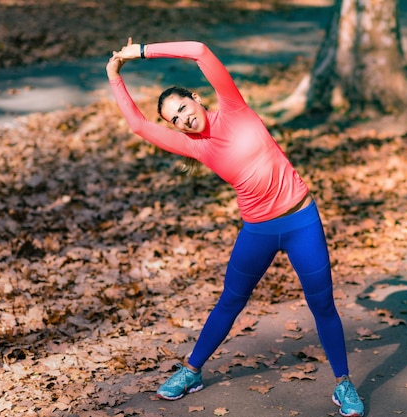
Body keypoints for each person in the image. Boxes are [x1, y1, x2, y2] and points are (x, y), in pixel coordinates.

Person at [106, 38, 365, 417]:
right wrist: (113, 75)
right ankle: (191, 371)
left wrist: (141, 51)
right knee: (230, 300)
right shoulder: (196, 147)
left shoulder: (234, 106)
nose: (182, 119)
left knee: (322, 304)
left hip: (301, 220)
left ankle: (344, 385)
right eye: (174, 120)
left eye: (182, 108)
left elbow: (198, 50)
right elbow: (138, 125)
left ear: (196, 97)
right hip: (257, 230)